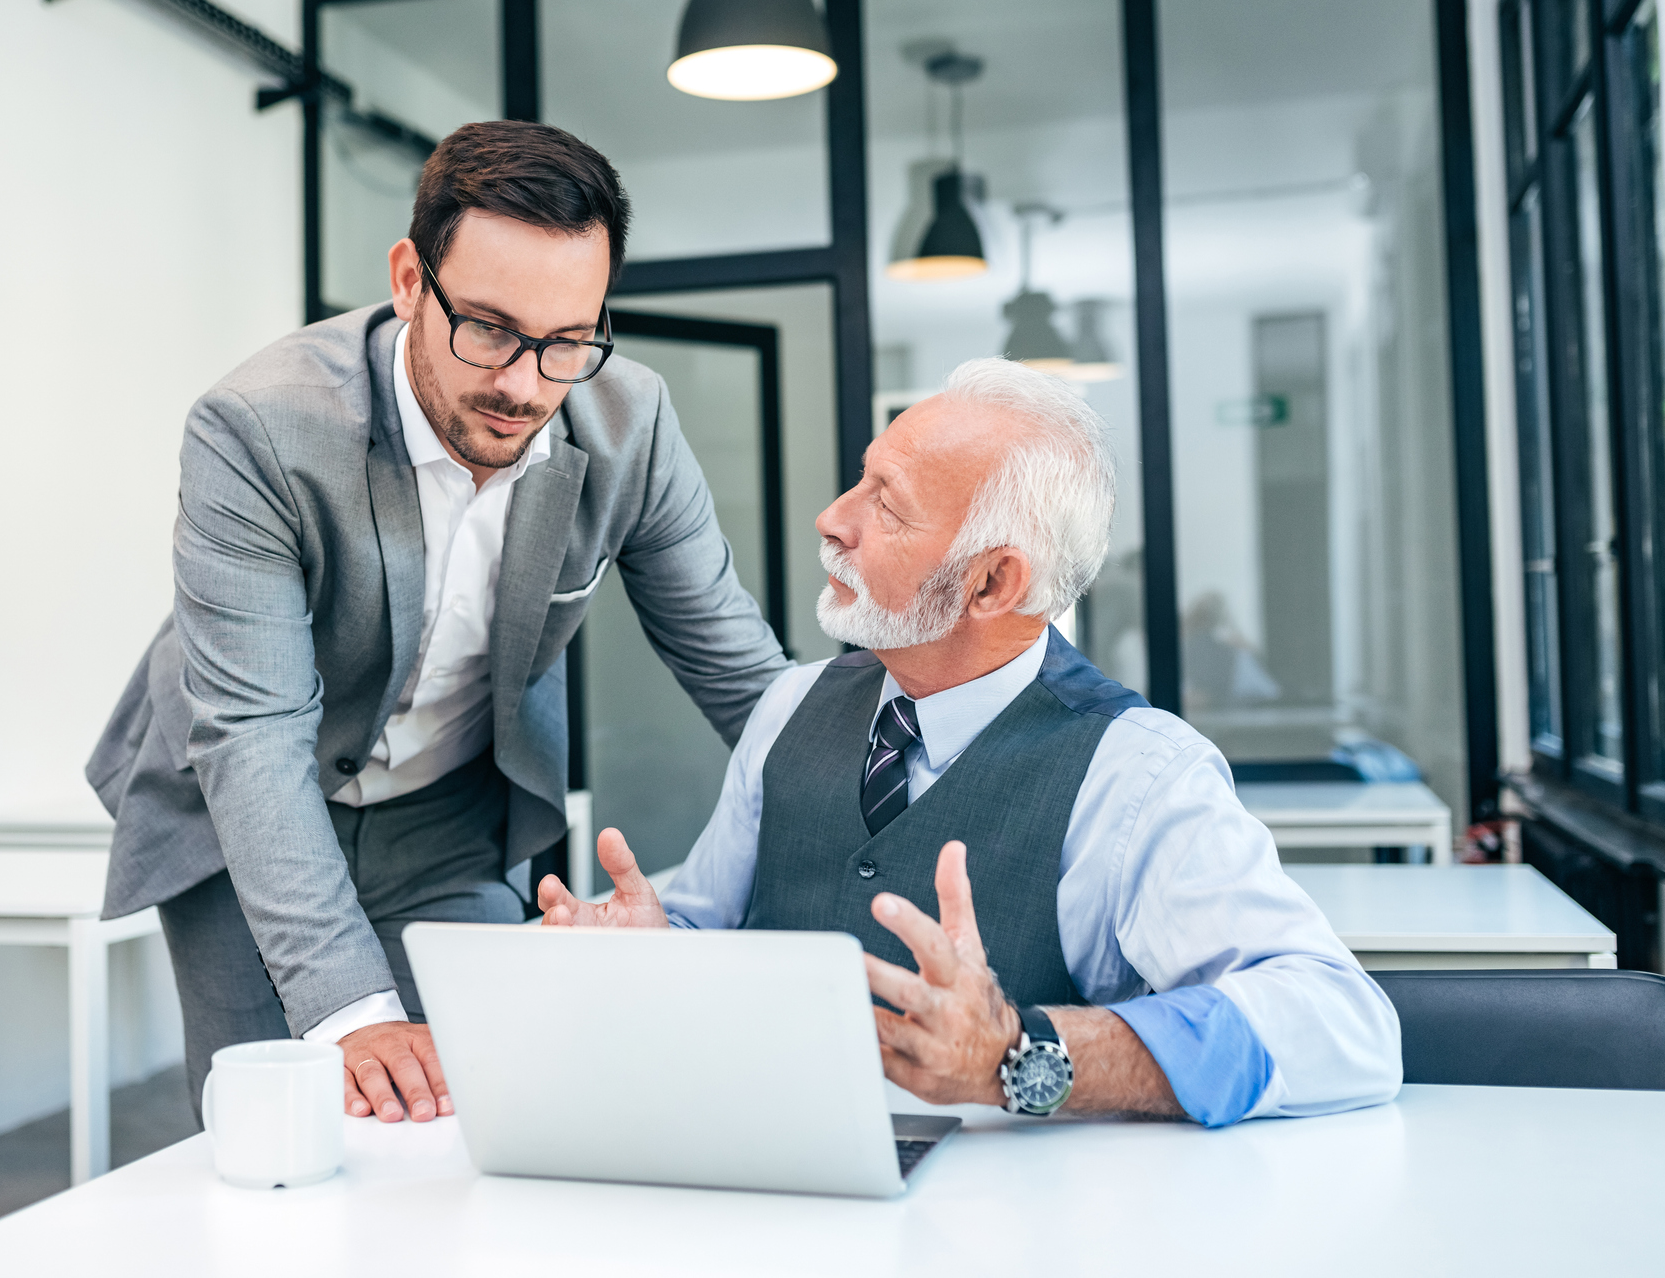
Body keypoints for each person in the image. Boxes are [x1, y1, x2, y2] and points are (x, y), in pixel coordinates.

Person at [86, 121, 790, 1126]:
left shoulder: (629, 421)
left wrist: (882, 827)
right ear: (411, 279)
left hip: (446, 821)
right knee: (278, 1135)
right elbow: (253, 735)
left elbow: (738, 669)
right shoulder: (257, 429)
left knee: (476, 1110)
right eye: (492, 329)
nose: (524, 384)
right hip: (244, 814)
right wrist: (354, 1011)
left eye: (565, 342)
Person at [539, 358, 1401, 1124]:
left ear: (992, 581)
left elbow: (1342, 1024)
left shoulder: (1138, 775)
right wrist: (651, 948)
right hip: (772, 1186)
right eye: (860, 480)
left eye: (887, 505)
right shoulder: (789, 704)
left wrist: (1023, 1053)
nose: (832, 519)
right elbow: (706, 924)